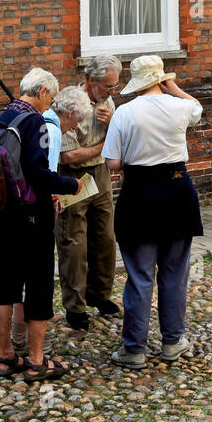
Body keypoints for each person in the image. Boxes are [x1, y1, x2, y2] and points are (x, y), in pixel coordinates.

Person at [102, 55, 204, 370]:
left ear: (136, 82)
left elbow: (112, 164)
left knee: (140, 275)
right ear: (160, 80)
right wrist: (172, 86)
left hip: (140, 195)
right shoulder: (180, 107)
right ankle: (173, 342)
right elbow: (197, 107)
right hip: (177, 192)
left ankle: (134, 349)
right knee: (174, 273)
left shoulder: (124, 113)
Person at [0, 68, 81, 382]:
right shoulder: (35, 122)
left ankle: (5, 357)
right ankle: (37, 361)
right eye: (50, 98)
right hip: (31, 217)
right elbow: (39, 174)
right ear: (42, 92)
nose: (49, 105)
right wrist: (69, 184)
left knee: (4, 288)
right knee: (38, 285)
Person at [9, 84, 93, 358]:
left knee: (15, 278)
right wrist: (66, 188)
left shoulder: (16, 118)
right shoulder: (52, 129)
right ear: (69, 113)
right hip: (36, 211)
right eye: (76, 123)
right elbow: (45, 173)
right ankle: (35, 350)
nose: (72, 129)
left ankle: (15, 337)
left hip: (13, 208)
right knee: (38, 280)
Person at [55, 55, 122, 330]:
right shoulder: (70, 102)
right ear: (91, 81)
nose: (112, 91)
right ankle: (75, 307)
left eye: (115, 86)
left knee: (105, 238)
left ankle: (100, 296)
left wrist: (113, 123)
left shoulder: (109, 103)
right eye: (108, 86)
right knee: (74, 243)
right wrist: (105, 143)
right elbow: (69, 156)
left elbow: (120, 139)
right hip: (74, 178)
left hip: (101, 175)